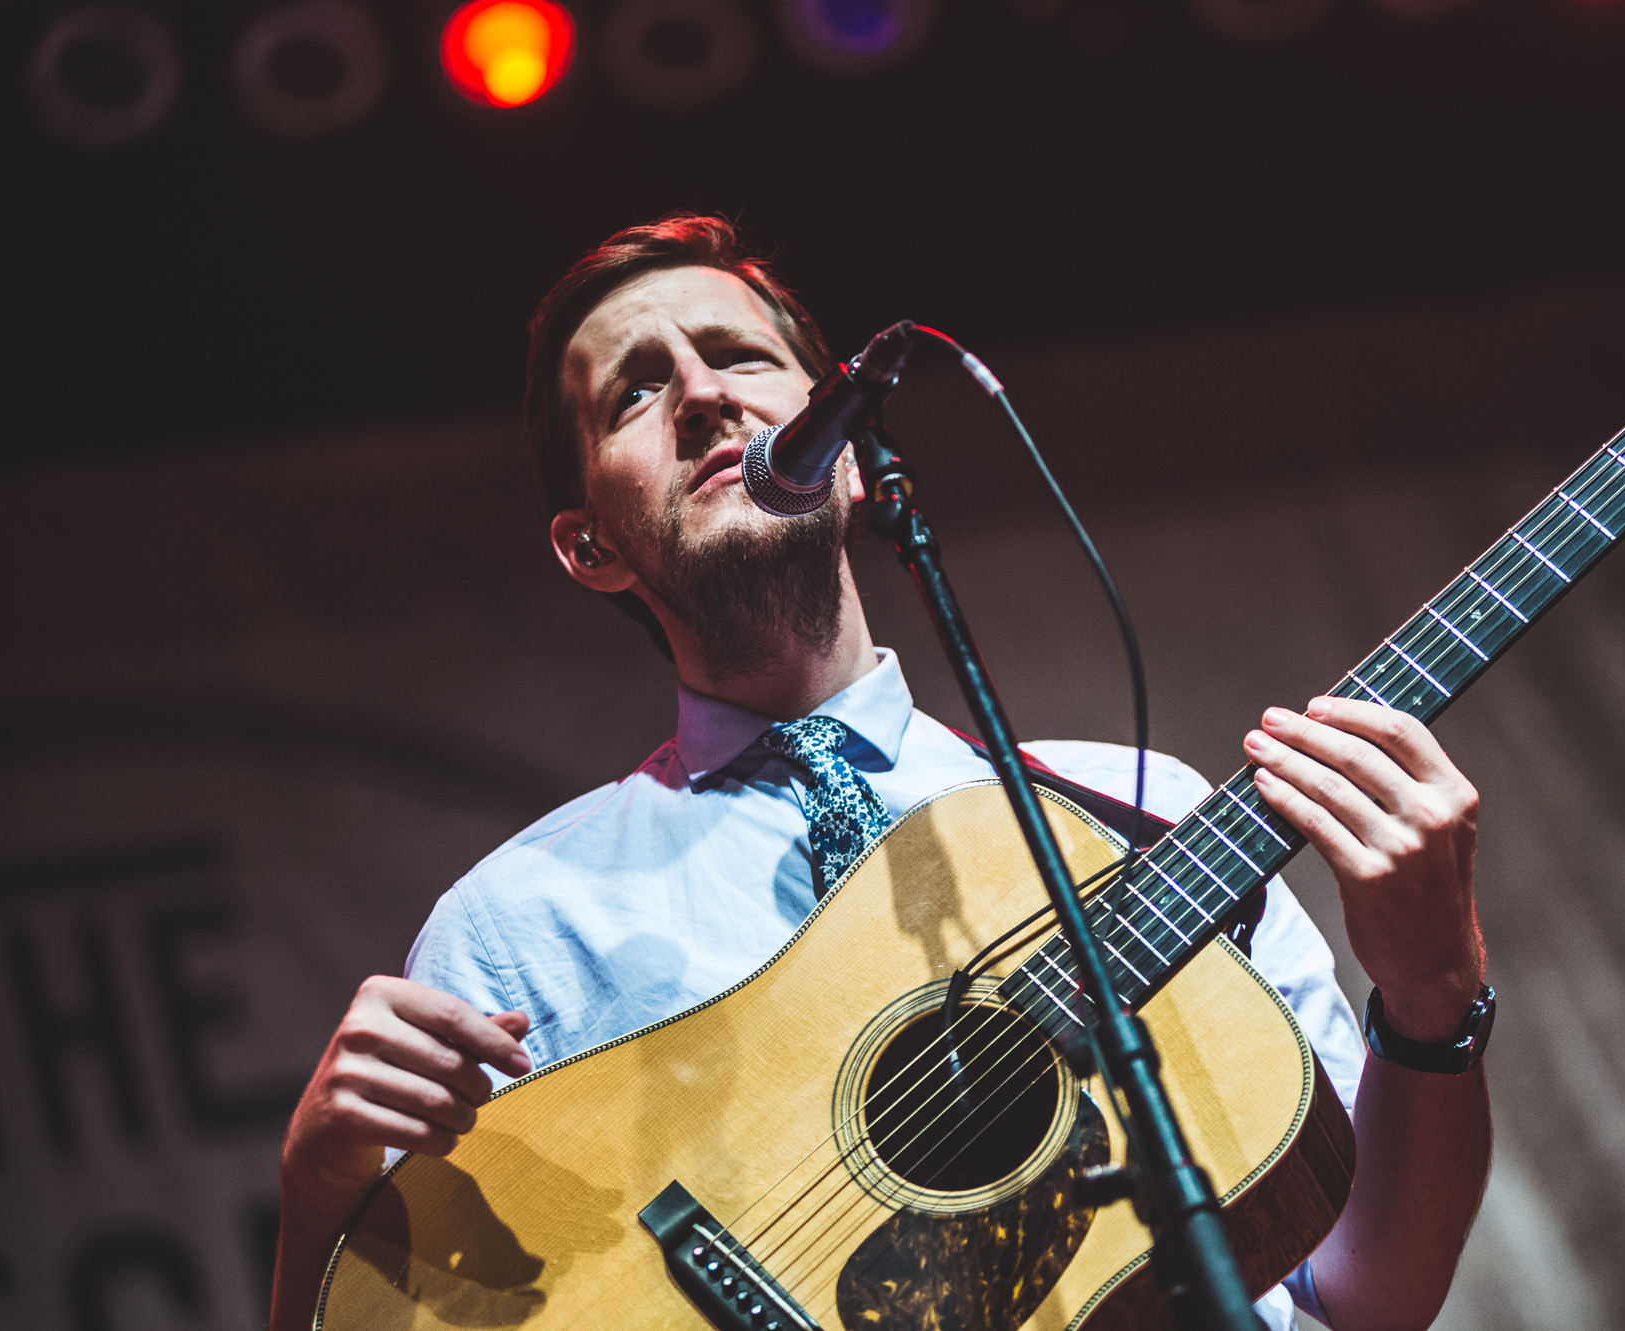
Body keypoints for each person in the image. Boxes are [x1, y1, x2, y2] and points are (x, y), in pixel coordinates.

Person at [269, 214, 1491, 1331]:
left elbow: (1365, 1299)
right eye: (635, 392)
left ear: (845, 455)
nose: (699, 393)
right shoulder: (523, 925)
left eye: (736, 357)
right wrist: (321, 1204)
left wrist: (1433, 1000)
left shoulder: (1143, 813)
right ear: (588, 545)